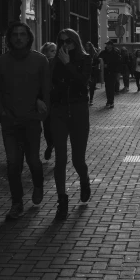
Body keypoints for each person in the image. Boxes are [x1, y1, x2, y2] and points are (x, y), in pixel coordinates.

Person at [0, 22, 50, 220]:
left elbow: (46, 89)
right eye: (15, 34)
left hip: (31, 120)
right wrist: (1, 112)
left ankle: (38, 185)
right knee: (13, 163)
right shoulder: (2, 62)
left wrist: (41, 110)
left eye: (22, 34)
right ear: (9, 38)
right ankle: (16, 203)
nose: (18, 38)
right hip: (10, 121)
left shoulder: (40, 61)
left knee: (33, 159)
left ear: (28, 37)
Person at [49, 29, 92, 220]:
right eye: (61, 41)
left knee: (77, 159)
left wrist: (68, 65)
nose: (65, 44)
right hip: (58, 112)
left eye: (69, 41)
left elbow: (84, 82)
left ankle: (84, 180)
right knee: (60, 159)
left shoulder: (85, 59)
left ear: (76, 41)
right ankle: (62, 200)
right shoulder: (53, 62)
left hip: (78, 111)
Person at [40, 41, 57, 160]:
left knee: (58, 127)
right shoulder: (42, 64)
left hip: (58, 100)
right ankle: (50, 145)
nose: (54, 53)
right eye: (52, 51)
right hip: (46, 100)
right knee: (47, 127)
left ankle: (58, 150)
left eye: (55, 50)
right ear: (45, 53)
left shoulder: (60, 63)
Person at [98, 40, 121, 108]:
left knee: (111, 87)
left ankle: (111, 101)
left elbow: (117, 63)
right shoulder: (103, 52)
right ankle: (109, 100)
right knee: (107, 87)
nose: (107, 46)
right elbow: (98, 59)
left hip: (113, 72)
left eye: (109, 44)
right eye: (107, 44)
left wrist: (109, 65)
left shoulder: (115, 53)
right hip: (105, 72)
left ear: (111, 45)